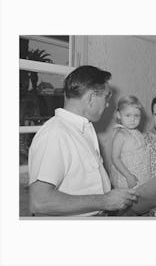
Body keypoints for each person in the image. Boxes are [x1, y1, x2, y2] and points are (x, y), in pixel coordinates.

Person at [28, 65, 138, 216]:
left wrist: (112, 196)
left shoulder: (84, 129)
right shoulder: (55, 134)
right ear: (91, 97)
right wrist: (104, 201)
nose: (107, 104)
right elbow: (39, 201)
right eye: (106, 97)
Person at [111, 96, 151, 188]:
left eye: (136, 116)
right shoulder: (120, 134)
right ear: (119, 115)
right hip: (127, 177)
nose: (132, 119)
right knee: (127, 199)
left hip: (141, 175)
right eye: (128, 115)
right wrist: (128, 176)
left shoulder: (137, 133)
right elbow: (115, 158)